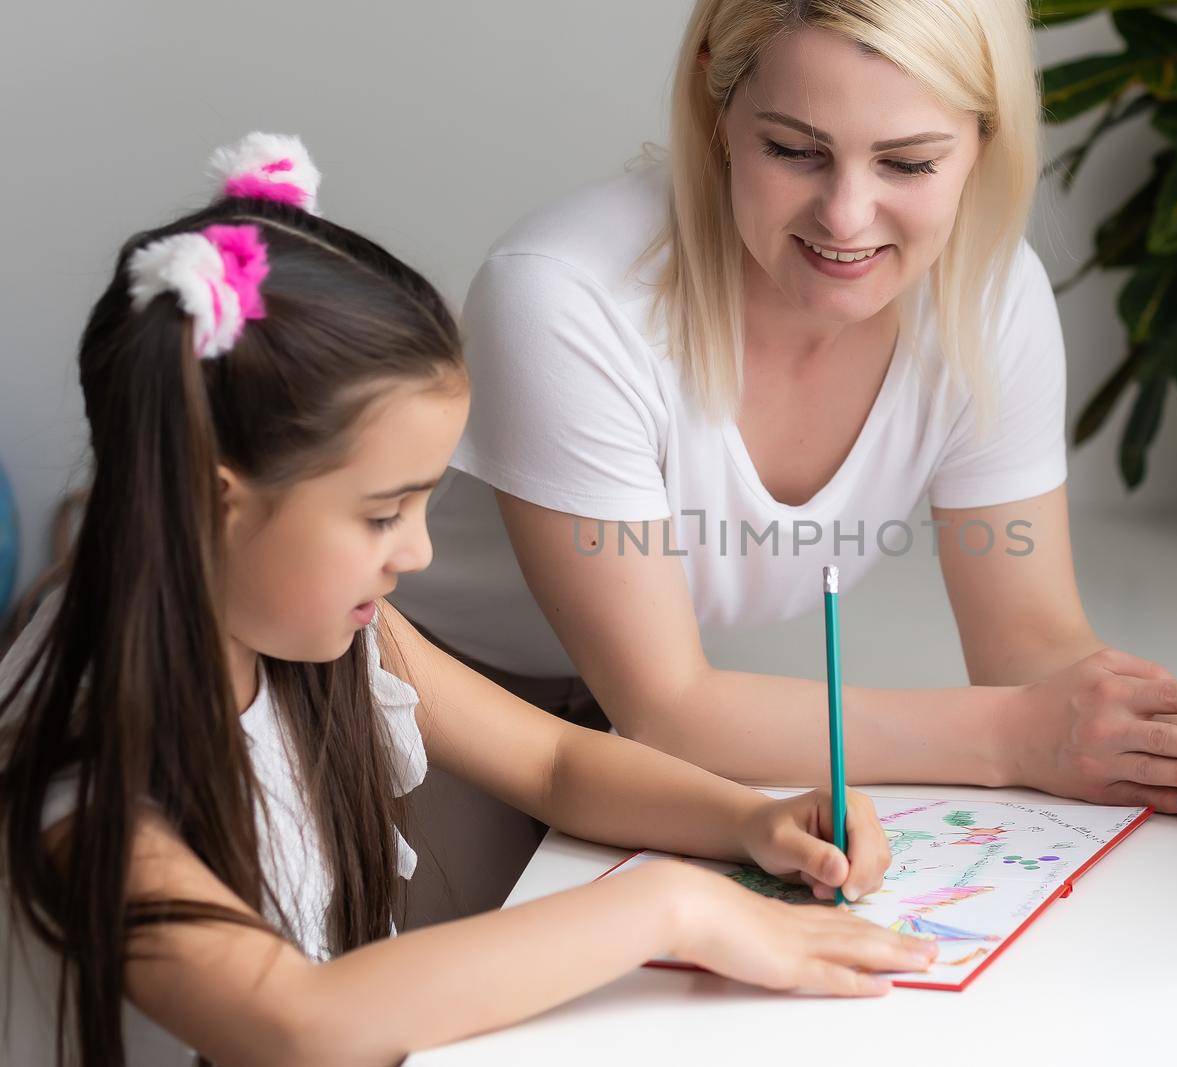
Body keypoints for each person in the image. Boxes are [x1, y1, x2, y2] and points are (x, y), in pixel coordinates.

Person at [0, 134, 930, 1067]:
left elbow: (555, 763)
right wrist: (670, 907)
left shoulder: (304, 630)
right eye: (380, 515)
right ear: (216, 500)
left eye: (423, 502)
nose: (419, 550)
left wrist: (748, 819)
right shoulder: (84, 765)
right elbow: (297, 1020)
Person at [393, 0, 1177, 891]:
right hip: (423, 684)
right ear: (716, 100)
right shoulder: (565, 296)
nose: (845, 217)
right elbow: (668, 708)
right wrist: (1012, 737)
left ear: (985, 137)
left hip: (650, 717)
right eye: (794, 150)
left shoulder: (990, 297)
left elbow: (1032, 646)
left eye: (910, 163)